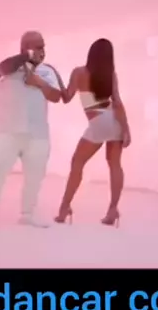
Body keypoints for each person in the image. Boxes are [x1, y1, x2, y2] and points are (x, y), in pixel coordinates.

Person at [0, 31, 64, 233]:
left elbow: (56, 96)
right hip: (5, 131)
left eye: (43, 46)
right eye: (37, 47)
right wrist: (27, 57)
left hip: (37, 134)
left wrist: (40, 83)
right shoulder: (9, 67)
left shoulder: (47, 71)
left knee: (35, 177)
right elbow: (2, 68)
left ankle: (28, 214)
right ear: (24, 48)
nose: (42, 51)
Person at [54, 38, 131, 227]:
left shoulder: (79, 72)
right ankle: (113, 210)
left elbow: (66, 97)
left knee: (77, 162)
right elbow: (117, 101)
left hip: (98, 121)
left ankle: (64, 208)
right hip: (115, 119)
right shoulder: (110, 74)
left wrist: (58, 79)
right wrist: (126, 129)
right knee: (114, 164)